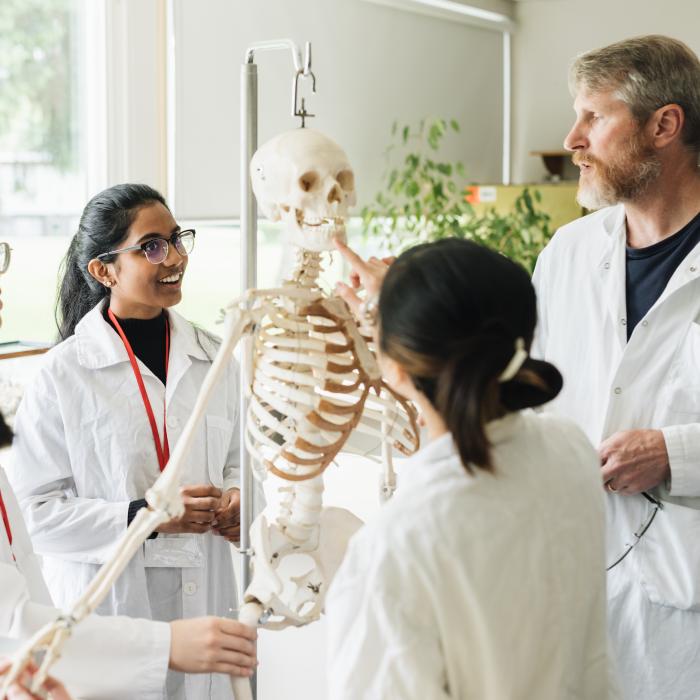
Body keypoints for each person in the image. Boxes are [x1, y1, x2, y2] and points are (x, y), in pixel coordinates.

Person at [327, 238, 610, 699]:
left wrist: (398, 314)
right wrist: (404, 311)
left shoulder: (394, 548)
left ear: (393, 367)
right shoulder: (570, 450)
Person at [6, 185, 244, 699]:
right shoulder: (63, 374)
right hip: (111, 614)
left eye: (177, 239)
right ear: (104, 270)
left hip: (208, 600)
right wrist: (148, 516)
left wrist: (241, 502)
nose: (176, 257)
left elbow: (240, 465)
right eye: (152, 246)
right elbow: (36, 514)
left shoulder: (214, 358)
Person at [532, 35, 700, 700]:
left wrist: (675, 452)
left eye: (593, 118)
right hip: (579, 585)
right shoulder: (569, 253)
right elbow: (533, 402)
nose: (573, 139)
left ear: (665, 125)